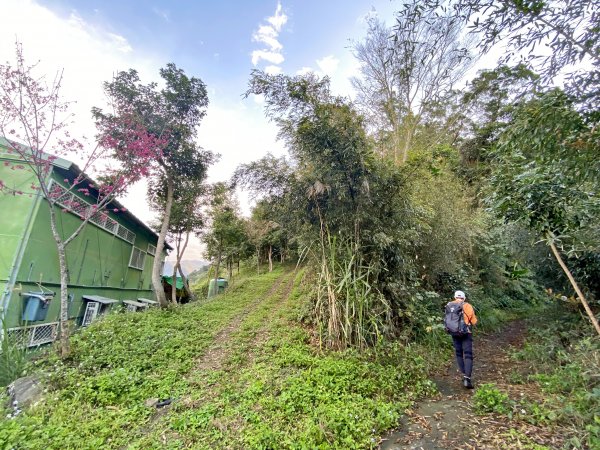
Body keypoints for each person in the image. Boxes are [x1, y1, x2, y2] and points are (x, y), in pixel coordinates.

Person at [447, 290, 477, 389]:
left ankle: (463, 374)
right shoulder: (467, 306)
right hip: (466, 333)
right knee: (468, 354)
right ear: (464, 298)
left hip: (454, 332)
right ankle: (467, 378)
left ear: (455, 297)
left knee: (459, 353)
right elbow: (474, 321)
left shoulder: (449, 305)